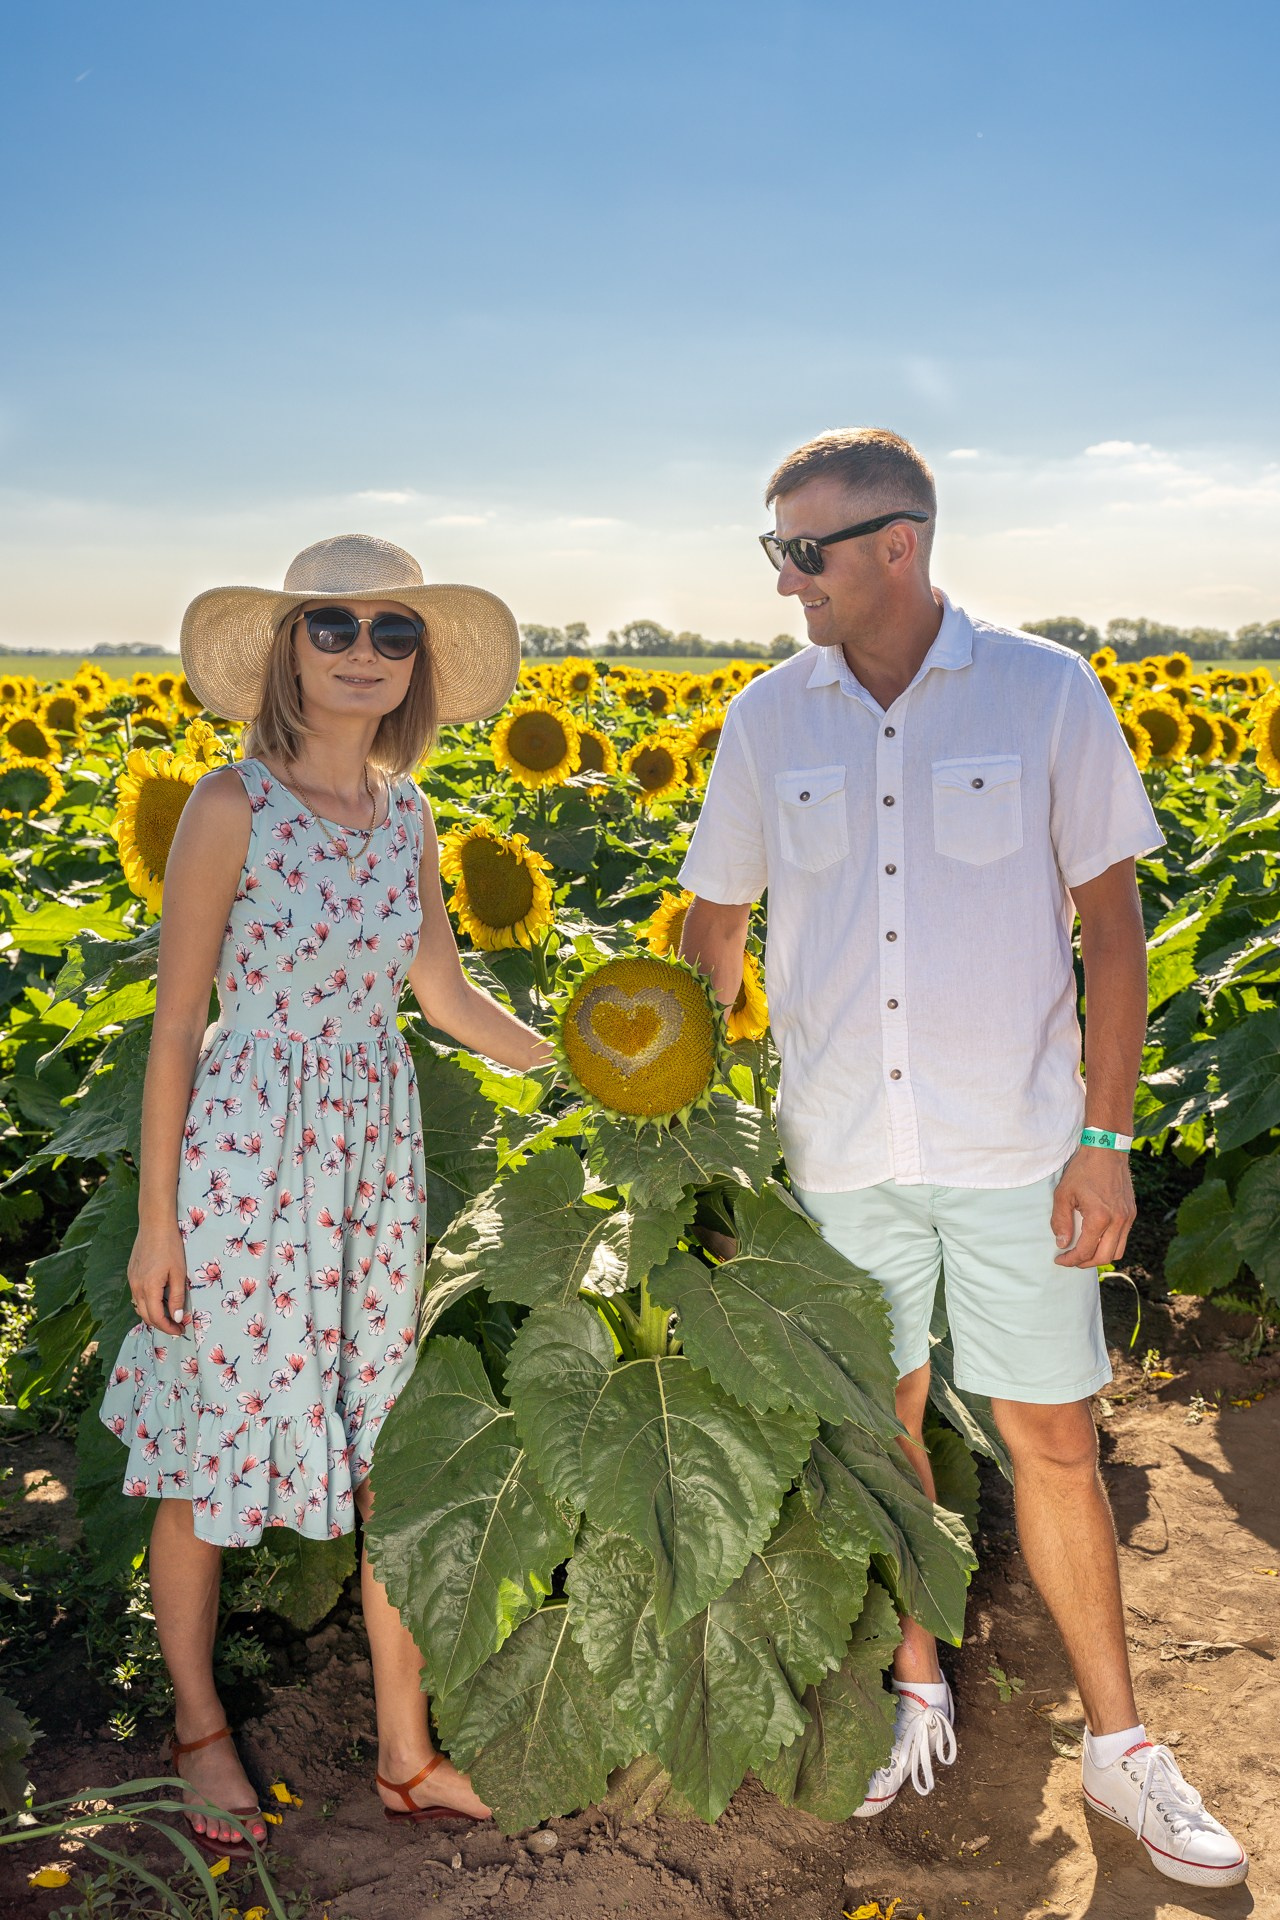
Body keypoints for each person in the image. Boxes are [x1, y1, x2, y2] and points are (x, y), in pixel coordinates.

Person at [677, 430, 1248, 1891]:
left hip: (1019, 1147)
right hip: (839, 1147)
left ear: (898, 544)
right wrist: (685, 1119)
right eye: (776, 552)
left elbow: (1112, 930)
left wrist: (1106, 1141)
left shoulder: (1044, 690)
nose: (786, 581)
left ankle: (1121, 1747)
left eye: (804, 551)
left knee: (1051, 1436)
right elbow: (713, 931)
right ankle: (915, 1687)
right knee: (883, 1432)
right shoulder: (766, 719)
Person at [100, 535, 551, 1855]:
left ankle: (406, 1755)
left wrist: (591, 1066)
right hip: (247, 1161)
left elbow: (445, 994)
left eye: (392, 631)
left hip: (371, 1164)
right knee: (210, 1440)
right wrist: (158, 1221)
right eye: (333, 625)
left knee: (388, 1445)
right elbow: (175, 1029)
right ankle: (197, 1727)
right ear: (288, 650)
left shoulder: (409, 816)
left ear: (418, 663)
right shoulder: (229, 806)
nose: (363, 651)